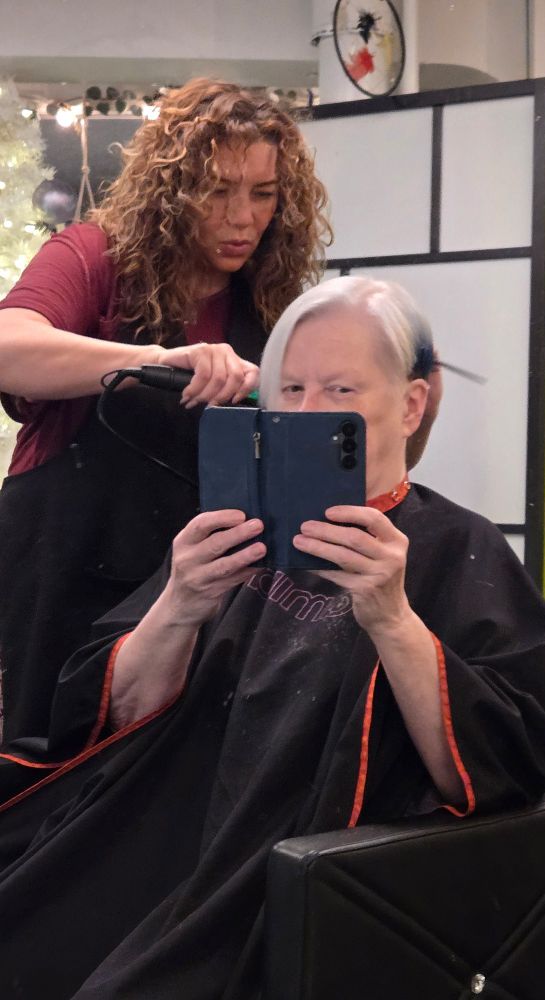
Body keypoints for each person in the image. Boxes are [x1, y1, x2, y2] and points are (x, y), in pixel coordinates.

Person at [0, 277, 545, 1000]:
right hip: (149, 830)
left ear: (410, 405)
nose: (305, 415)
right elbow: (111, 714)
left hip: (293, 867)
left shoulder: (458, 547)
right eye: (291, 390)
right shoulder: (233, 533)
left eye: (340, 391)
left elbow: (495, 768)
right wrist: (179, 604)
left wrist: (392, 619)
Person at [0, 77, 331, 743]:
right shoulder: (93, 257)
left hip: (191, 582)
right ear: (172, 190)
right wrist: (154, 360)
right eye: (217, 191)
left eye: (263, 194)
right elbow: (8, 350)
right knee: (54, 765)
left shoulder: (268, 301)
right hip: (61, 568)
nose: (242, 218)